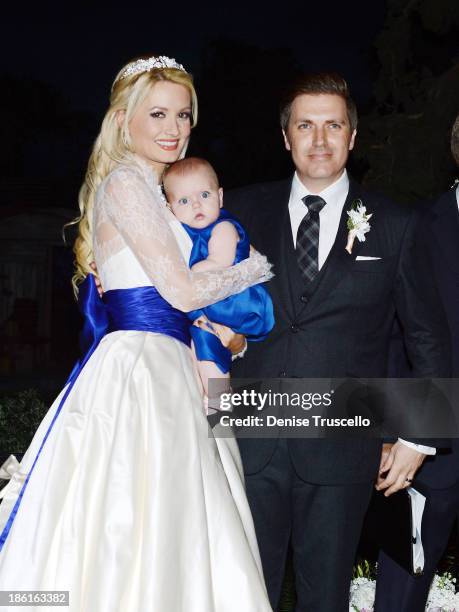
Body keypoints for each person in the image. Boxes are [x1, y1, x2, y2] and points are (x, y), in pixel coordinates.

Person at [0, 56, 274, 612]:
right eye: (158, 114)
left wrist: (225, 334)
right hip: (143, 371)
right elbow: (179, 292)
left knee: (181, 516)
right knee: (139, 511)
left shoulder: (160, 188)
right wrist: (255, 269)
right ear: (124, 120)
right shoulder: (128, 184)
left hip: (170, 361)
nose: (174, 128)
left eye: (183, 116)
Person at [224, 72, 451, 611]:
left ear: (353, 136)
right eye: (305, 125)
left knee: (325, 599)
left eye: (333, 125)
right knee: (237, 596)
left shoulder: (397, 226)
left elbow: (428, 338)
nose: (319, 139)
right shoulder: (236, 213)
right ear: (286, 137)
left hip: (344, 446)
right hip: (243, 437)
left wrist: (419, 438)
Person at [374, 113, 459, 611]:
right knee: (401, 597)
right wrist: (392, 433)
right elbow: (393, 338)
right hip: (431, 451)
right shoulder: (417, 231)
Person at [162, 157, 274, 404]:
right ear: (171, 209)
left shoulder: (223, 227)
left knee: (206, 340)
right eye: (184, 201)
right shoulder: (186, 232)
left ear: (220, 197)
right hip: (209, 301)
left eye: (204, 194)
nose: (196, 205)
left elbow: (220, 263)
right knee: (194, 347)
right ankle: (205, 396)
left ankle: (218, 399)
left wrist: (186, 272)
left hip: (232, 302)